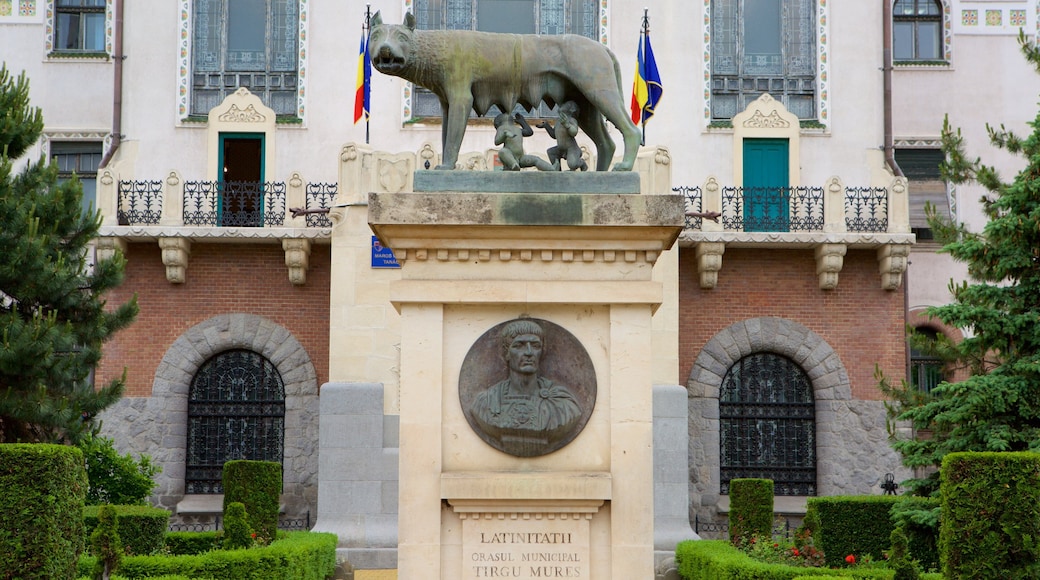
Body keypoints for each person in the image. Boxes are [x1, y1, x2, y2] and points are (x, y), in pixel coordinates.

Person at [469, 320, 582, 455]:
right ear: (507, 352)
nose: (529, 352)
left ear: (542, 351)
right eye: (519, 345)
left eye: (535, 346)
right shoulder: (485, 402)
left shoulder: (563, 404)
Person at [537, 101, 588, 171]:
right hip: (560, 149)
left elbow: (574, 132)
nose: (562, 105)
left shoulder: (572, 120)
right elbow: (554, 135)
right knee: (551, 152)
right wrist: (546, 126)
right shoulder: (558, 121)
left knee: (572, 165)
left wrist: (567, 125)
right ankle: (558, 171)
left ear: (572, 109)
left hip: (572, 149)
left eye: (566, 104)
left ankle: (582, 163)